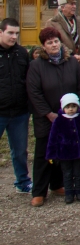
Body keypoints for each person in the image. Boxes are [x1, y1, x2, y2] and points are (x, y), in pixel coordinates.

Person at [27, 26, 80, 207]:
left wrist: (76, 110)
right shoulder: (37, 66)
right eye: (49, 42)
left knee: (64, 152)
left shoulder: (72, 63)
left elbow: (79, 86)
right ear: (43, 46)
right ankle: (39, 191)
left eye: (55, 41)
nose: (53, 45)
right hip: (47, 118)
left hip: (69, 116)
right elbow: (34, 92)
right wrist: (48, 114)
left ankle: (57, 184)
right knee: (44, 153)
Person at [45, 93, 80, 203]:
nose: (71, 109)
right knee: (67, 174)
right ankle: (69, 193)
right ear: (63, 108)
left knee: (79, 173)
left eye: (73, 106)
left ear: (77, 107)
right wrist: (51, 154)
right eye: (68, 107)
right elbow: (53, 138)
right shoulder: (58, 121)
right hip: (64, 154)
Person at [0, 18, 32, 195]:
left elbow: (27, 80)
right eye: (10, 33)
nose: (14, 37)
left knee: (20, 151)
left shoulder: (21, 53)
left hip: (19, 113)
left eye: (16, 33)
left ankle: (23, 181)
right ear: (0, 32)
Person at [45, 0, 80, 71]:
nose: (74, 6)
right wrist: (71, 55)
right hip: (63, 65)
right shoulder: (52, 23)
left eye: (75, 4)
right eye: (71, 4)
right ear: (62, 7)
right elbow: (53, 42)